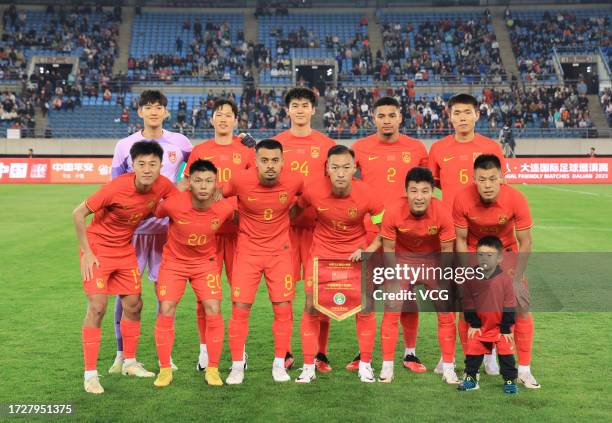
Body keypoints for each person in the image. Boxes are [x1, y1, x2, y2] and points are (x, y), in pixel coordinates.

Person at [72, 141, 176, 394]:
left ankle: (129, 362)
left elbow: (178, 201)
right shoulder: (116, 188)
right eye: (142, 164)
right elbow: (77, 213)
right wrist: (87, 252)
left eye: (153, 164)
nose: (147, 169)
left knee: (134, 304)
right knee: (97, 307)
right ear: (133, 165)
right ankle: (90, 375)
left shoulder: (163, 185)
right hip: (98, 250)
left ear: (161, 166)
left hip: (124, 249)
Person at [110, 90, 192, 374]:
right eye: (149, 107)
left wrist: (182, 190)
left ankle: (163, 355)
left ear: (166, 112)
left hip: (168, 232)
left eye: (159, 107)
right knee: (126, 295)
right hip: (131, 233)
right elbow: (114, 187)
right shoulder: (125, 145)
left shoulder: (180, 143)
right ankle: (121, 354)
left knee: (164, 295)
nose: (154, 112)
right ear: (140, 111)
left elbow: (196, 168)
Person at [347, 96, 428, 372]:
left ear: (400, 117)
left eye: (391, 115)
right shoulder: (360, 147)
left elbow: (425, 190)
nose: (386, 120)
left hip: (406, 236)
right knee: (366, 295)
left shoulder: (416, 149)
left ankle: (410, 352)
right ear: (373, 118)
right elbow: (343, 180)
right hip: (369, 233)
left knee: (406, 295)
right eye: (381, 116)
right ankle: (364, 351)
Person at [294, 145, 383, 384]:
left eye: (346, 167)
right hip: (321, 254)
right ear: (327, 169)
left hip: (355, 256)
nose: (341, 173)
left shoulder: (368, 194)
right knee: (312, 307)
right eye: (335, 168)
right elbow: (294, 210)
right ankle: (308, 366)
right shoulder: (313, 190)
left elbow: (385, 227)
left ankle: (365, 365)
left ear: (354, 168)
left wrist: (368, 250)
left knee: (365, 307)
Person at [453, 154, 540, 389]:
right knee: (467, 310)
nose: (488, 185)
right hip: (474, 251)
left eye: (493, 179)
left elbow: (526, 242)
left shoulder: (516, 198)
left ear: (501, 177)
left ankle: (524, 370)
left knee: (520, 304)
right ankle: (474, 370)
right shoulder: (462, 198)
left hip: (506, 253)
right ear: (474, 179)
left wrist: (518, 277)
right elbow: (460, 240)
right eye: (482, 179)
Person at [182, 98, 255, 372]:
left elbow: (253, 188)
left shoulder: (246, 152)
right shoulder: (200, 150)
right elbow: (187, 185)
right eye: (218, 114)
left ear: (235, 120)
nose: (223, 119)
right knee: (205, 296)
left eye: (228, 115)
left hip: (240, 233)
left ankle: (240, 351)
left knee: (240, 296)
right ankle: (204, 351)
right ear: (211, 120)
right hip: (207, 234)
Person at [223, 139, 303, 384]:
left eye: (275, 160)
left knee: (283, 309)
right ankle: (237, 365)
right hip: (247, 253)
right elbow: (218, 196)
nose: (270, 166)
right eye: (265, 160)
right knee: (239, 310)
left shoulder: (295, 180)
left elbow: (304, 200)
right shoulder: (239, 180)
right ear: (255, 162)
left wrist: (289, 217)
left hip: (279, 254)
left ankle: (279, 364)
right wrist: (238, 220)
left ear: (283, 162)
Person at [153, 160, 235, 388]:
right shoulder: (174, 204)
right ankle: (165, 370)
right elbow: (155, 210)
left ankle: (213, 369)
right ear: (188, 182)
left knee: (213, 308)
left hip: (205, 263)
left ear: (216, 184)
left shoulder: (225, 207)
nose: (203, 185)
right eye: (198, 180)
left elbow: (240, 216)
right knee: (166, 307)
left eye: (209, 181)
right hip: (174, 263)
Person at [274, 87, 336, 371]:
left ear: (313, 110)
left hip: (318, 231)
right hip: (283, 232)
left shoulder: (326, 145)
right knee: (283, 295)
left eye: (305, 105)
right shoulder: (275, 144)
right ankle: (284, 353)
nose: (299, 110)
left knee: (319, 297)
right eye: (295, 105)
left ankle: (320, 354)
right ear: (287, 110)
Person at [379, 167, 460, 384]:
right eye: (414, 191)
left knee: (446, 313)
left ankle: (449, 367)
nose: (419, 197)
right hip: (403, 260)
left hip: (433, 261)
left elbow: (446, 252)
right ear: (406, 192)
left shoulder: (442, 212)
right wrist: (393, 279)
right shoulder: (393, 210)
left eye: (425, 191)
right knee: (392, 310)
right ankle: (387, 367)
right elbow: (387, 249)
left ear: (432, 192)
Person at [458, 236, 518, 394]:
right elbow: (468, 303)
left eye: (489, 255)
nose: (484, 258)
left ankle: (510, 381)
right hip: (480, 326)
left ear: (499, 258)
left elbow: (510, 305)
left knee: (506, 356)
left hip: (500, 327)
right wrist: (475, 324)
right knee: (473, 352)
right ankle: (471, 379)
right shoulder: (470, 278)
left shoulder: (505, 280)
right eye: (480, 254)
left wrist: (505, 328)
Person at [428, 93, 506, 209]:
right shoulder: (437, 148)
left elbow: (501, 183)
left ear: (477, 115)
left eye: (468, 112)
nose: (462, 118)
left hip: (483, 218)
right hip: (451, 219)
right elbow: (432, 185)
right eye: (457, 113)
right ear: (449, 116)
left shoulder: (492, 147)